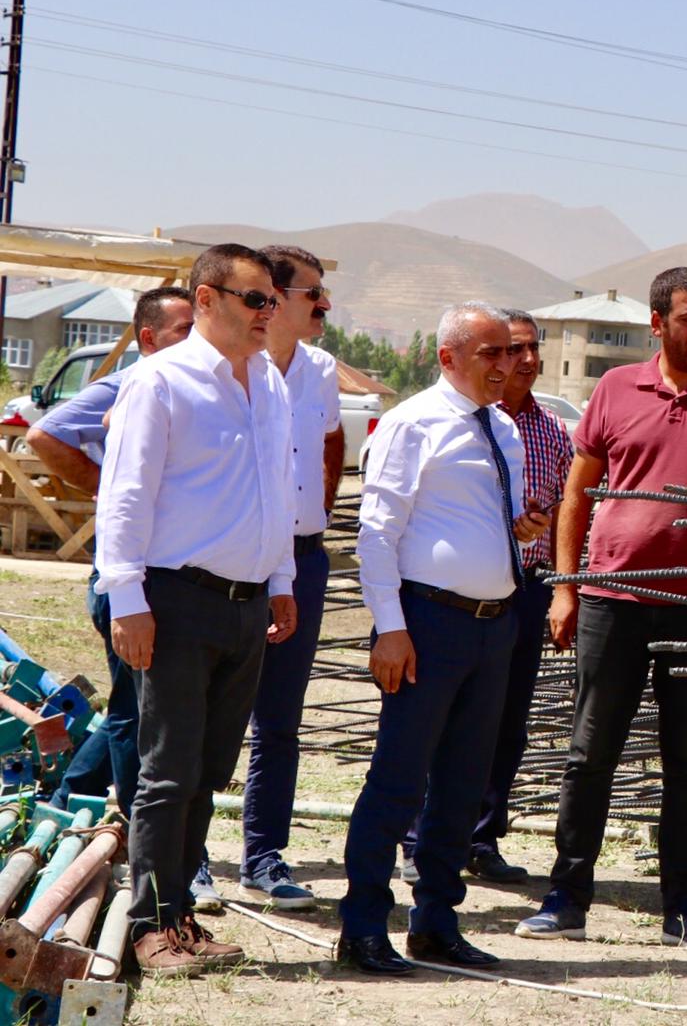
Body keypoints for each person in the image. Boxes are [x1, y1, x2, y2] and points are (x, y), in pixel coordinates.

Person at [516, 266, 687, 949]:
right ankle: (567, 896)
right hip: (612, 600)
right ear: (658, 324)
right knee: (589, 754)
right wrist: (567, 586)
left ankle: (683, 907)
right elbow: (577, 496)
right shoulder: (613, 388)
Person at [96, 243, 298, 977]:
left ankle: (180, 914)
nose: (267, 313)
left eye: (272, 300)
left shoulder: (268, 381)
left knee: (209, 769)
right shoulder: (161, 381)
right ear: (206, 300)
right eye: (255, 300)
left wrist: (281, 577)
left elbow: (279, 485)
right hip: (176, 597)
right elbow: (125, 494)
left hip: (246, 605)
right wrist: (127, 598)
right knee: (168, 770)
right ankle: (150, 925)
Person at [337, 302, 548, 976]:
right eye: (490, 353)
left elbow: (475, 514)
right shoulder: (412, 423)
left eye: (511, 353)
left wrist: (520, 531)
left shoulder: (506, 431)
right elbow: (377, 534)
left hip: (494, 625)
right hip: (427, 623)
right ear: (449, 357)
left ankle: (436, 921)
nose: (506, 365)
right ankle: (364, 926)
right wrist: (392, 630)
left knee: (462, 785)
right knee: (398, 781)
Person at [398, 308, 572, 885]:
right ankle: (420, 836)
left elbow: (559, 507)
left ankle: (481, 836)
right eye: (504, 350)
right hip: (448, 597)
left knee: (505, 720)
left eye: (526, 350)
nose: (518, 361)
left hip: (524, 587)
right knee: (437, 719)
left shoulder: (546, 431)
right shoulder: (461, 420)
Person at [34, 286, 193, 816]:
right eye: (183, 331)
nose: (196, 340)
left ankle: (70, 794)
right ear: (148, 338)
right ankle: (130, 817)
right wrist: (107, 483)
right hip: (127, 574)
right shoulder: (129, 384)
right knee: (135, 709)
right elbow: (44, 435)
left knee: (132, 703)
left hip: (167, 573)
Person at [229, 244, 343, 912]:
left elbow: (329, 444)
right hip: (228, 565)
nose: (324, 306)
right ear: (272, 298)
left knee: (280, 720)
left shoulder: (321, 371)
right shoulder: (226, 370)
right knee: (209, 715)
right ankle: (185, 861)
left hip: (301, 559)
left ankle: (263, 855)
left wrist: (314, 513)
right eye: (312, 294)